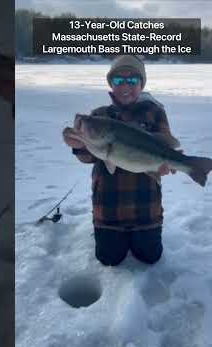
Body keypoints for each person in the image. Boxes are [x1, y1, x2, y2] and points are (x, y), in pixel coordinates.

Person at [62, 55, 180, 266]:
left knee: (150, 257)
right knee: (108, 259)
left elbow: (167, 147)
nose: (125, 85)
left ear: (142, 84)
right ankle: (106, 234)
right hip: (108, 208)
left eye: (133, 80)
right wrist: (78, 145)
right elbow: (89, 156)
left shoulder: (155, 112)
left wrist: (165, 167)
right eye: (118, 80)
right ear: (111, 84)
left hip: (146, 208)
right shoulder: (99, 115)